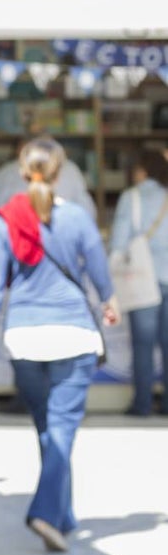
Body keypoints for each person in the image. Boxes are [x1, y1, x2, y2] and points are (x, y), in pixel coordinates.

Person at [0, 137, 118, 552]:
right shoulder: (80, 218)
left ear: (21, 169)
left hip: (25, 337)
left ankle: (63, 517)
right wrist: (110, 302)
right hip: (73, 334)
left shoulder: (5, 221)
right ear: (61, 171)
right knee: (63, 429)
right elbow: (100, 272)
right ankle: (46, 513)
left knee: (48, 431)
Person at [109, 148, 168, 416]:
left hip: (142, 280)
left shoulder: (131, 198)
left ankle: (142, 404)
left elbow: (119, 244)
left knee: (142, 345)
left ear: (143, 170)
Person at [0, 135, 96, 221]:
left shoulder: (6, 172)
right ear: (57, 176)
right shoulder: (70, 168)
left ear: (23, 174)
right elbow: (89, 213)